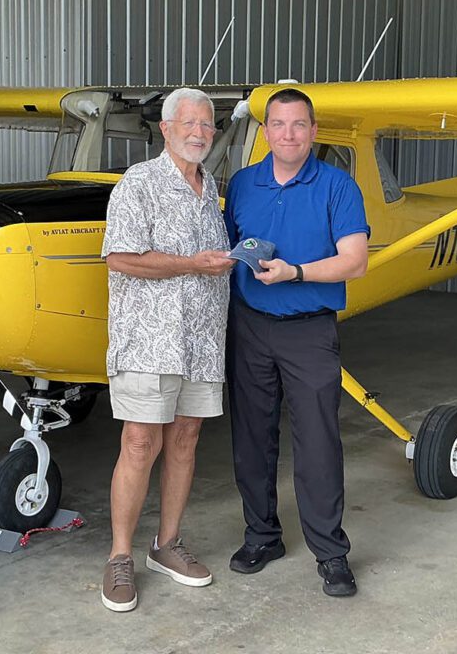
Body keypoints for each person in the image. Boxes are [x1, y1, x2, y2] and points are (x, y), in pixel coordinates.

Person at [224, 88, 370, 597]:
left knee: (318, 443)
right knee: (251, 438)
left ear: (313, 131)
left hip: (309, 330)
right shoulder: (243, 184)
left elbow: (355, 259)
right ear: (265, 132)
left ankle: (330, 553)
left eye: (299, 125)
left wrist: (296, 272)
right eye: (279, 125)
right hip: (250, 325)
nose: (288, 134)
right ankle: (262, 536)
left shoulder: (337, 185)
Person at [99, 87, 234, 612]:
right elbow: (120, 258)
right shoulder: (140, 183)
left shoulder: (209, 187)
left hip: (200, 341)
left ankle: (167, 545)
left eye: (208, 125)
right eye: (190, 123)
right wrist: (192, 264)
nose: (200, 132)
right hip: (150, 340)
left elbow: (209, 261)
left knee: (186, 439)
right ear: (166, 128)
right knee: (139, 444)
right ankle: (119, 557)